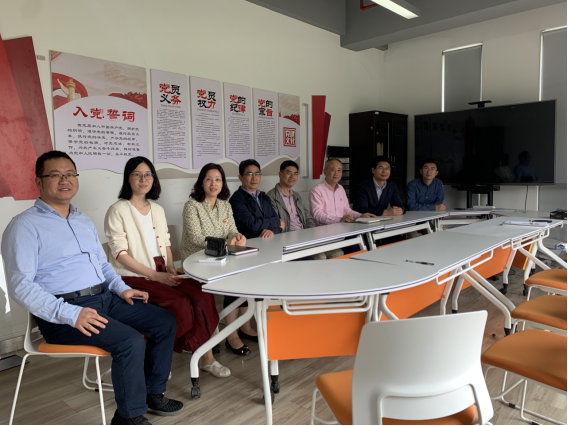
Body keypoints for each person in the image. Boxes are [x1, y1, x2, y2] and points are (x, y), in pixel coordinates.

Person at [1, 151, 182, 426]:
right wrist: (71, 314)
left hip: (106, 298)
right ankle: (128, 417)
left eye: (70, 174)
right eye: (55, 175)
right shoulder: (24, 226)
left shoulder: (82, 220)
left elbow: (103, 265)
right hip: (65, 312)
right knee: (130, 341)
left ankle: (152, 393)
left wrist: (121, 288)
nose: (65, 180)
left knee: (164, 321)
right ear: (38, 182)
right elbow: (21, 287)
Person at [105, 157, 230, 379]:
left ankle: (206, 358)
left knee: (202, 295)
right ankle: (156, 357)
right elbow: (120, 254)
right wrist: (154, 275)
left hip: (162, 272)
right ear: (128, 178)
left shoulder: (157, 209)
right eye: (137, 174)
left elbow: (166, 242)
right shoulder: (118, 210)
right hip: (134, 277)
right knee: (179, 303)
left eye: (148, 174)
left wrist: (171, 267)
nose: (144, 179)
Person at [181, 163, 253, 357]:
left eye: (218, 179)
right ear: (201, 182)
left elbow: (231, 229)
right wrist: (227, 241)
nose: (214, 183)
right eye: (209, 179)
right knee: (230, 281)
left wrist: (237, 236)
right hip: (196, 261)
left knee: (242, 276)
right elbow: (197, 238)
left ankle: (232, 332)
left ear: (223, 183)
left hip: (222, 258)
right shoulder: (192, 206)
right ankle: (224, 334)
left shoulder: (225, 205)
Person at [267, 160, 342, 260]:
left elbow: (308, 217)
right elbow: (277, 224)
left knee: (338, 253)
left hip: (305, 236)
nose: (292, 176)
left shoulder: (296, 195)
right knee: (320, 257)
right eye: (289, 172)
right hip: (289, 240)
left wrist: (310, 232)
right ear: (280, 174)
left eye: (295, 173)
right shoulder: (271, 197)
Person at [310, 158, 376, 226]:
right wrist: (339, 219)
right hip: (324, 229)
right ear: (325, 172)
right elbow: (317, 215)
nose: (336, 173)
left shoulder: (341, 188)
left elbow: (346, 210)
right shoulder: (316, 190)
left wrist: (361, 216)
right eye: (333, 170)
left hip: (342, 227)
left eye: (339, 170)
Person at [229, 159, 284, 239]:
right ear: (240, 177)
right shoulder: (236, 200)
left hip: (269, 241)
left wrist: (272, 231)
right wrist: (277, 221)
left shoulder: (264, 197)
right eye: (249, 174)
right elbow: (252, 225)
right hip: (250, 243)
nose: (254, 178)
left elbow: (280, 227)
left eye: (257, 174)